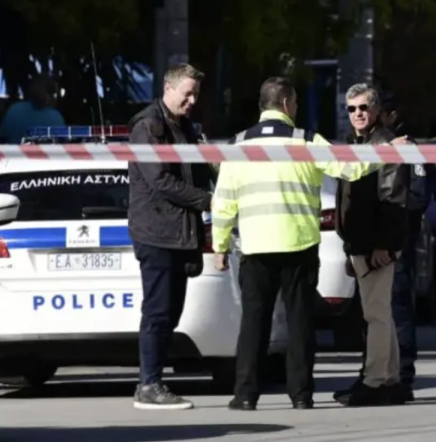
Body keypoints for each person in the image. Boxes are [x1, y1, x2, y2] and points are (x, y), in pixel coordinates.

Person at [210, 77, 383, 411]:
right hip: (299, 245)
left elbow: (223, 203)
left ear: (263, 105)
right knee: (300, 322)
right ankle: (301, 395)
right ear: (288, 104)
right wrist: (387, 153)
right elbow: (351, 168)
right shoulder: (307, 140)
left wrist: (220, 246)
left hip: (256, 247)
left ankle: (245, 395)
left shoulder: (237, 145)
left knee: (253, 323)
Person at [126, 63, 213, 410]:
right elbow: (160, 179)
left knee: (171, 313)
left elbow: (196, 172)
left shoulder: (185, 126)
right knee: (158, 312)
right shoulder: (149, 125)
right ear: (168, 88)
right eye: (187, 94)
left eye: (196, 95)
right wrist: (206, 200)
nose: (192, 101)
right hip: (157, 232)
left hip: (180, 232)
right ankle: (149, 385)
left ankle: (153, 381)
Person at [330, 84, 411, 407]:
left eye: (364, 107)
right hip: (361, 242)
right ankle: (390, 379)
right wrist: (351, 246)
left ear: (376, 109)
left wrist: (383, 245)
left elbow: (393, 199)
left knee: (375, 314)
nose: (358, 114)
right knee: (379, 313)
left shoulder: (385, 144)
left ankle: (375, 380)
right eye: (351, 109)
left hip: (375, 243)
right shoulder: (355, 143)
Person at [377, 91, 427, 401]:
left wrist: (391, 219)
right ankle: (376, 376)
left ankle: (403, 375)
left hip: (398, 241)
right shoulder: (366, 146)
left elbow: (419, 197)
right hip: (368, 243)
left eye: (377, 111)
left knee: (398, 307)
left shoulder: (410, 150)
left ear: (392, 116)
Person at [0, 74, 65, 144]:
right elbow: (62, 145)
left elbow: (1, 139)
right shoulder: (56, 118)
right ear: (51, 96)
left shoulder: (14, 110)